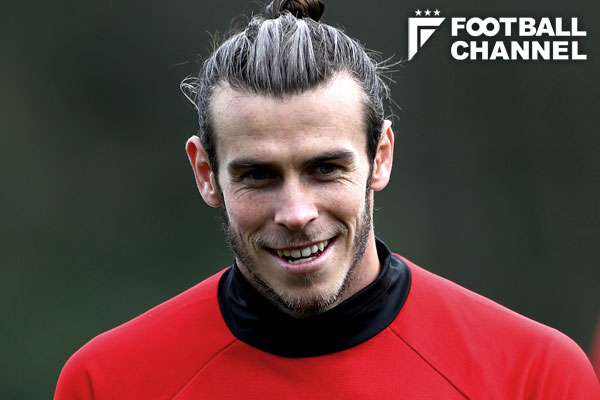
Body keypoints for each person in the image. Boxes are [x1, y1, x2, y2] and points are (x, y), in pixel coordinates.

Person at [55, 1, 599, 398]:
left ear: (380, 157)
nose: (296, 214)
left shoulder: (534, 375)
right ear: (205, 174)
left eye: (325, 169)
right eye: (258, 176)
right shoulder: (106, 383)